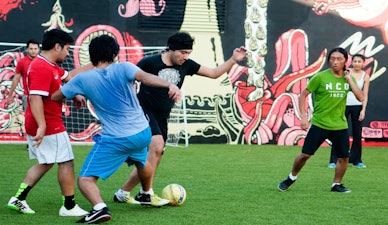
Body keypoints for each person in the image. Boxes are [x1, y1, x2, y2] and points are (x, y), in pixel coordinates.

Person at [51, 34, 181, 224]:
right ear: (115, 54)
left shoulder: (82, 79)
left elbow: (55, 96)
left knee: (85, 179)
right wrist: (170, 84)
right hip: (143, 132)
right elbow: (145, 77)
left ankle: (99, 208)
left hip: (116, 138)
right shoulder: (125, 68)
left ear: (91, 55)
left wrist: (75, 93)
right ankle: (146, 193)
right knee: (142, 163)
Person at [113, 31, 247, 203]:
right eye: (182, 52)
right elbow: (128, 79)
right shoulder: (149, 63)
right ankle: (147, 194)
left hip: (162, 116)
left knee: (157, 153)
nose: (185, 56)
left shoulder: (187, 65)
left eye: (188, 53)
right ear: (171, 49)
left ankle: (124, 192)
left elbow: (214, 73)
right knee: (156, 145)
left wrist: (233, 60)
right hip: (143, 111)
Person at [7, 29, 93, 216]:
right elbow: (35, 98)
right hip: (48, 122)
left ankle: (18, 198)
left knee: (46, 162)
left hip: (46, 121)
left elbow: (69, 77)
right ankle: (68, 206)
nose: (68, 53)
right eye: (67, 49)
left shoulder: (50, 65)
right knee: (66, 161)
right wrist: (42, 125)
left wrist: (93, 67)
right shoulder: (41, 67)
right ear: (57, 46)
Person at [277, 47, 365, 193]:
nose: (335, 62)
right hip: (319, 124)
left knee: (344, 158)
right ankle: (291, 177)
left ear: (345, 61)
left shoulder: (349, 78)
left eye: (339, 59)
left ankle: (336, 184)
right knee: (305, 155)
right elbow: (302, 96)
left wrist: (349, 79)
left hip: (339, 125)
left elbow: (360, 97)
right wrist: (304, 118)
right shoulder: (320, 77)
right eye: (332, 59)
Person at [328, 54, 370, 169]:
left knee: (357, 134)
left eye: (359, 61)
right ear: (351, 62)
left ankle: (356, 160)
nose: (357, 63)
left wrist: (363, 110)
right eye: (355, 61)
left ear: (363, 63)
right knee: (338, 133)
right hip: (343, 106)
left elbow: (365, 95)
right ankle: (333, 160)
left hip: (358, 106)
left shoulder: (365, 76)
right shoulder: (346, 72)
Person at [7, 39, 40, 109]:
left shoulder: (43, 62)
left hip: (41, 96)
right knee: (28, 119)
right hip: (27, 96)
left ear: (39, 49)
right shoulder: (22, 62)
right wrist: (10, 95)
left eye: (35, 49)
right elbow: (16, 79)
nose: (33, 51)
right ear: (27, 49)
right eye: (31, 49)